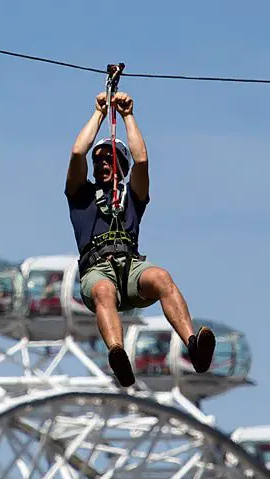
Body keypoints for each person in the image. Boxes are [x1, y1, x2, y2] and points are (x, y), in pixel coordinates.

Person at [65, 90, 215, 387]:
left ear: (121, 167)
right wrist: (98, 113)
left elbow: (142, 160)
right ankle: (118, 354)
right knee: (104, 291)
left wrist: (128, 116)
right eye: (99, 162)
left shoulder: (132, 196)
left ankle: (193, 345)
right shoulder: (80, 196)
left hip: (131, 266)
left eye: (109, 160)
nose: (102, 165)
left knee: (160, 277)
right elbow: (77, 154)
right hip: (97, 270)